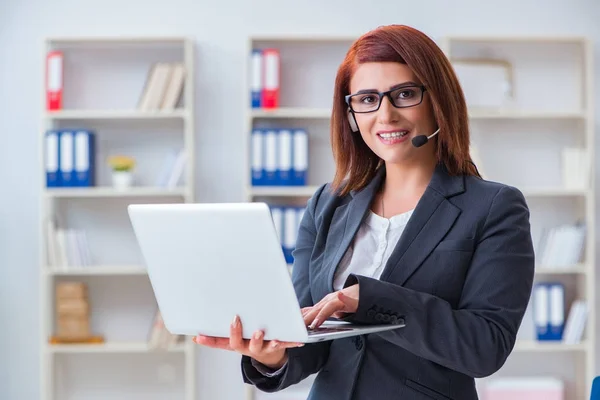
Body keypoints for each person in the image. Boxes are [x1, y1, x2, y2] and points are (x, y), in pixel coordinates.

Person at [194, 24, 535, 400]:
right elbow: (310, 334)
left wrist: (369, 300)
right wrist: (272, 356)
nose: (385, 115)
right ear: (352, 113)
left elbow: (484, 347)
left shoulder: (493, 207)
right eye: (367, 99)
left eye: (404, 94)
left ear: (439, 100)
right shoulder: (329, 204)